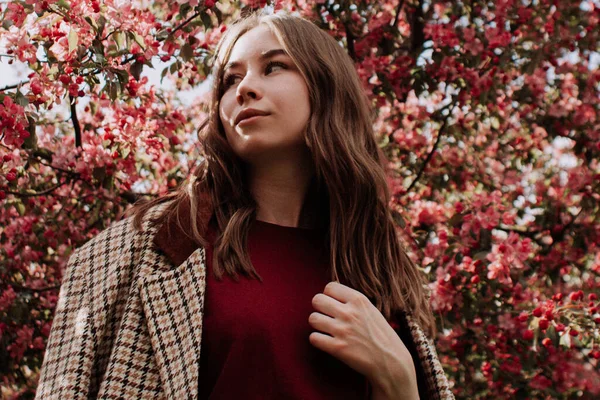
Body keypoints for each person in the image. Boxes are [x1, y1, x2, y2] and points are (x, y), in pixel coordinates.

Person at [35, 10, 454, 400]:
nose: (245, 89)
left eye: (274, 66)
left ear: (327, 88)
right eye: (231, 80)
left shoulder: (381, 267)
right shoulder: (148, 248)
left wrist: (400, 381)